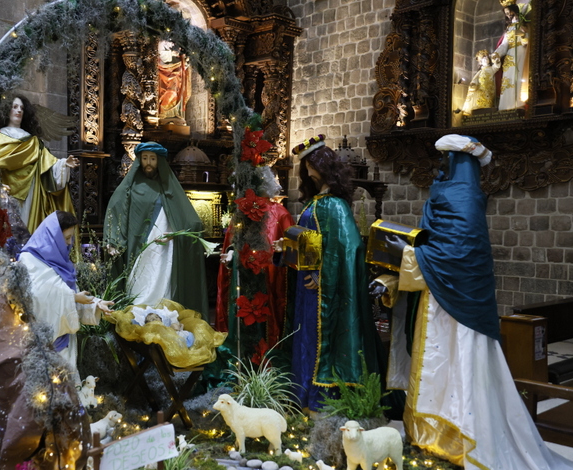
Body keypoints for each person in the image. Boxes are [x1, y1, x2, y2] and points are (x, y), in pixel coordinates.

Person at [370, 134, 573, 470]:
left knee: (458, 366)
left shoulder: (460, 198)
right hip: (444, 302)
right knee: (444, 367)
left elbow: (454, 254)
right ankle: (444, 440)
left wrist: (407, 252)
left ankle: (466, 440)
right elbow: (444, 247)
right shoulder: (457, 195)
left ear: (457, 163)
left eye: (446, 162)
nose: (440, 169)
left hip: (456, 310)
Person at [273, 137, 386, 413]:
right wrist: (287, 247)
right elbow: (312, 242)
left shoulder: (334, 205)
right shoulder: (317, 202)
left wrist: (324, 277)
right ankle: (305, 397)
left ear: (321, 166)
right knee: (306, 338)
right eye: (306, 165)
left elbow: (347, 248)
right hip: (308, 286)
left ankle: (321, 400)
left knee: (320, 341)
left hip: (323, 289)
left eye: (310, 164)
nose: (307, 170)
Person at [103, 141, 208, 316]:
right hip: (139, 247)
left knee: (163, 287)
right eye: (145, 158)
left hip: (164, 248)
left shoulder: (169, 186)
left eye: (153, 158)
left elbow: (192, 222)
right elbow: (116, 210)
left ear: (159, 161)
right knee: (139, 286)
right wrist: (113, 238)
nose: (149, 162)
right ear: (139, 160)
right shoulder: (130, 186)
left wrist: (175, 234)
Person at [18, 211, 113, 381]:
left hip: (65, 340)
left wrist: (95, 304)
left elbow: (69, 294)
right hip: (42, 345)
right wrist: (73, 298)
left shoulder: (61, 262)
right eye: (67, 238)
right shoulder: (28, 260)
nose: (70, 244)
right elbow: (36, 297)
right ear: (52, 237)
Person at [216, 166, 294, 362]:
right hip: (246, 277)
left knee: (266, 316)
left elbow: (291, 247)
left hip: (269, 276)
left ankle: (264, 354)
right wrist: (232, 255)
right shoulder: (243, 215)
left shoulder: (279, 213)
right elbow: (233, 244)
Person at [0, 96, 79, 233]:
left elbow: (48, 165)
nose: (19, 111)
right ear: (5, 111)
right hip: (6, 192)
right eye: (14, 107)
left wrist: (64, 164)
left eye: (21, 108)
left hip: (29, 193)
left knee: (26, 225)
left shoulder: (33, 141)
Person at [495, 2, 531, 111]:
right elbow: (504, 44)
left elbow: (529, 41)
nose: (508, 15)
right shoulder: (509, 29)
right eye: (506, 14)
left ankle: (518, 103)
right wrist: (497, 53)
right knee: (508, 80)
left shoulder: (524, 26)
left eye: (509, 12)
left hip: (520, 51)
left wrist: (523, 35)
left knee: (519, 77)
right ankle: (506, 106)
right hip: (510, 54)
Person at [461, 50, 499, 115]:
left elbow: (496, 66)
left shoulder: (491, 69)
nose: (485, 59)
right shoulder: (480, 72)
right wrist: (473, 85)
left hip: (489, 89)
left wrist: (496, 61)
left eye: (486, 58)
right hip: (481, 88)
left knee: (488, 100)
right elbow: (475, 80)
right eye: (483, 59)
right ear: (480, 62)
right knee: (480, 99)